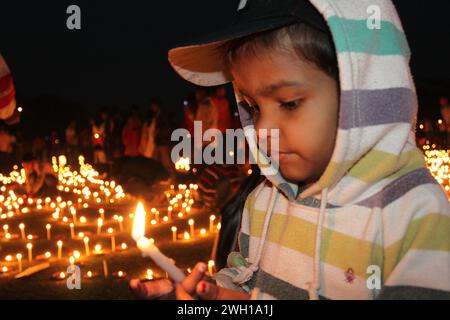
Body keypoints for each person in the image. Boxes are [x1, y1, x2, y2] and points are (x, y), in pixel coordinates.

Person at [131, 0, 450, 300]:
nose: (263, 130)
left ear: (362, 95)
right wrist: (212, 293)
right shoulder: (263, 200)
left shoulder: (414, 217)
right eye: (253, 107)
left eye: (289, 103)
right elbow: (246, 284)